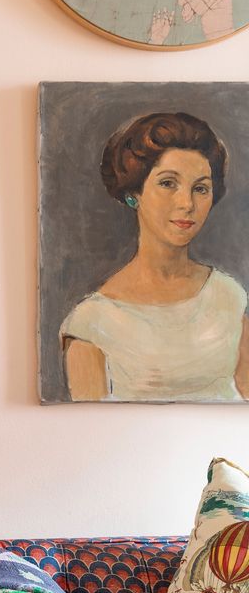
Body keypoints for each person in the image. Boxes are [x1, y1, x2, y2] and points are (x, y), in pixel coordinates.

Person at [61, 112, 249, 402]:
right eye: (168, 183)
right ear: (134, 193)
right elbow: (90, 429)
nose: (187, 204)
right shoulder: (92, 323)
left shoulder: (229, 297)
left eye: (200, 188)